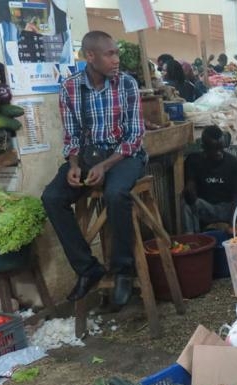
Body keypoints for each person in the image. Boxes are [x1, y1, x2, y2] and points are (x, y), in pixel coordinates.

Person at [41, 31, 146, 311]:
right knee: (52, 198)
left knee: (115, 193)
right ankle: (88, 269)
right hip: (88, 156)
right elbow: (72, 136)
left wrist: (105, 164)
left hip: (124, 155)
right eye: (110, 54)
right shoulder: (70, 88)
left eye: (116, 53)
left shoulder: (127, 84)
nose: (116, 60)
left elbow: (135, 136)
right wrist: (74, 165)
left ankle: (124, 270)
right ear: (90, 56)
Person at [183, 126, 237, 233]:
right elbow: (190, 184)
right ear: (203, 147)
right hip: (206, 207)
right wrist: (190, 190)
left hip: (227, 208)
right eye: (213, 149)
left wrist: (232, 225)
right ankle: (192, 240)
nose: (219, 153)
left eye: (221, 148)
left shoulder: (235, 164)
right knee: (186, 205)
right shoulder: (194, 161)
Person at [0, 0, 72, 65]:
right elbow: (9, 58)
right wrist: (25, 39)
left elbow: (66, 62)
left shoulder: (65, 19)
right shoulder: (6, 14)